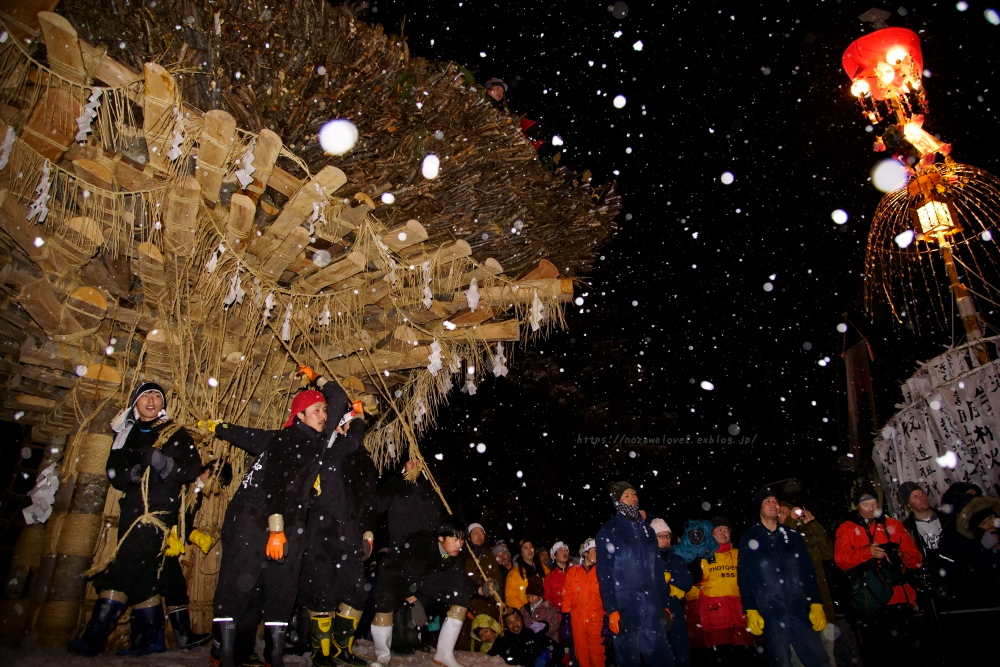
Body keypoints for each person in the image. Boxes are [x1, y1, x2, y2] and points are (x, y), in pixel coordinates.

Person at [69, 383, 202, 657]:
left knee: (124, 568)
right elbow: (113, 470)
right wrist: (127, 475)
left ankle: (94, 636)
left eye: (156, 396)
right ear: (135, 403)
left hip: (157, 513)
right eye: (144, 396)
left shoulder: (174, 433)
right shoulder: (126, 436)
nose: (151, 400)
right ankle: (149, 640)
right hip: (131, 510)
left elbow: (191, 469)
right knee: (143, 574)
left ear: (162, 403)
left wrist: (166, 464)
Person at [210, 389, 330, 667]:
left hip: (287, 524)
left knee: (281, 589)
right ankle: (224, 656)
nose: (323, 416)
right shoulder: (290, 438)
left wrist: (220, 427)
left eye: (324, 410)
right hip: (255, 521)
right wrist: (276, 529)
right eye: (317, 410)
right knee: (238, 585)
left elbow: (247, 436)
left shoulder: (294, 439)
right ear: (299, 415)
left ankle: (272, 657)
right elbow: (274, 483)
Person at [368, 516, 480, 667]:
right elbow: (398, 575)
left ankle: (444, 655)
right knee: (386, 601)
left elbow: (457, 578)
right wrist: (413, 601)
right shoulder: (419, 544)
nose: (459, 544)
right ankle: (382, 656)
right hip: (393, 574)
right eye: (454, 539)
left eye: (462, 540)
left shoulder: (458, 551)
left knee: (461, 595)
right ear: (441, 537)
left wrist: (479, 589)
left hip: (424, 577)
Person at [834, 485, 925, 664]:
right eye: (865, 503)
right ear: (856, 506)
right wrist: (867, 552)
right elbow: (841, 560)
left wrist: (899, 556)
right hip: (870, 602)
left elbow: (916, 559)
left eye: (874, 503)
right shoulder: (848, 527)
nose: (870, 507)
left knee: (909, 654)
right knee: (878, 656)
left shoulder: (892, 524)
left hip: (899, 598)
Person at [738, 491, 829, 667]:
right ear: (759, 508)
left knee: (820, 659)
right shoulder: (750, 538)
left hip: (797, 609)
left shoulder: (791, 536)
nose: (774, 505)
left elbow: (807, 571)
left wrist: (816, 603)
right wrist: (750, 609)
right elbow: (745, 576)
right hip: (771, 612)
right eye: (768, 501)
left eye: (775, 501)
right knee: (781, 662)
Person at [596, 481, 673, 667]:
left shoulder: (647, 531)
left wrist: (664, 603)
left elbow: (658, 570)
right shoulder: (609, 531)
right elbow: (604, 575)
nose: (632, 498)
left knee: (664, 659)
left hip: (652, 607)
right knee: (628, 660)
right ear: (617, 501)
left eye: (634, 494)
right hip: (625, 609)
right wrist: (612, 609)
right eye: (626, 495)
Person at [684, 517, 755, 665]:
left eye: (727, 530)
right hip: (715, 618)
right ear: (711, 534)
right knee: (722, 660)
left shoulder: (739, 554)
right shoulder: (702, 556)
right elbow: (693, 581)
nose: (724, 533)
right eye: (720, 529)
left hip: (740, 616)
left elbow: (750, 581)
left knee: (746, 659)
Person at [652, 519, 694, 667]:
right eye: (661, 536)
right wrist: (671, 587)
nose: (665, 540)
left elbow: (687, 582)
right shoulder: (647, 560)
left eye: (667, 536)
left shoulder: (677, 559)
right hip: (655, 611)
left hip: (675, 610)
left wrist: (669, 580)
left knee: (681, 653)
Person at [561, 538, 604, 667]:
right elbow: (566, 597)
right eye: (595, 551)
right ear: (585, 553)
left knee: (598, 658)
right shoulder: (573, 572)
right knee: (582, 659)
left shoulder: (602, 572)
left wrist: (607, 621)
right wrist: (566, 620)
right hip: (578, 622)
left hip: (596, 622)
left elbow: (607, 598)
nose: (598, 553)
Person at [460, 522, 504, 651]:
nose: (480, 536)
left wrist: (500, 602)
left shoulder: (489, 555)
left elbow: (497, 580)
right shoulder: (461, 554)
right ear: (468, 537)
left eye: (482, 533)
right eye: (475, 533)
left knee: (487, 642)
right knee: (464, 641)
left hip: (488, 605)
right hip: (468, 605)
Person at [488, 606, 555, 666]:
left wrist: (546, 655)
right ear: (506, 625)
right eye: (510, 622)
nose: (514, 625)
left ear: (521, 619)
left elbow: (558, 649)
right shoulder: (502, 640)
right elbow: (488, 658)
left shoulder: (531, 633)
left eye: (517, 619)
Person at [506, 539, 549, 611]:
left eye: (531, 547)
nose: (530, 550)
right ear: (521, 552)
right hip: (525, 613)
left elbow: (550, 588)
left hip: (544, 612)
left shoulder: (544, 569)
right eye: (525, 547)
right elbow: (511, 598)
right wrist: (524, 613)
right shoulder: (514, 573)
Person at [521, 576, 560, 643]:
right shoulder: (524, 609)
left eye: (532, 596)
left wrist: (545, 627)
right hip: (531, 642)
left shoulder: (547, 607)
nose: (530, 599)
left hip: (547, 642)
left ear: (539, 596)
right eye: (528, 596)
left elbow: (555, 625)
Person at [544, 541, 572, 612]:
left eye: (566, 550)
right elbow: (548, 599)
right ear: (554, 556)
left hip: (575, 614)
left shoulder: (574, 572)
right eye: (561, 550)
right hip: (559, 616)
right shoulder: (550, 577)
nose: (564, 552)